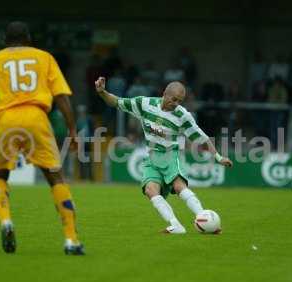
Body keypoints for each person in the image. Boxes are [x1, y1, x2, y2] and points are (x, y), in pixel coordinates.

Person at [0, 21, 84, 255]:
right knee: (55, 178)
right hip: (36, 117)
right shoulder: (44, 58)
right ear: (29, 38)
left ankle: (6, 221)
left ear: (4, 40)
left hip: (6, 119)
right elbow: (62, 96)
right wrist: (72, 131)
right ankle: (71, 240)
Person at [95, 77, 233, 234]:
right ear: (164, 94)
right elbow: (117, 102)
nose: (176, 104)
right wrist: (102, 92)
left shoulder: (182, 115)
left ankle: (204, 217)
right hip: (152, 156)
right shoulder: (144, 104)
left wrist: (219, 157)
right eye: (174, 99)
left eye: (179, 101)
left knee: (179, 186)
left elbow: (202, 138)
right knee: (150, 190)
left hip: (170, 155)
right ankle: (176, 225)